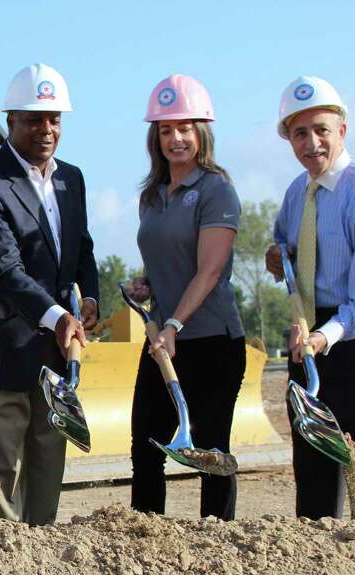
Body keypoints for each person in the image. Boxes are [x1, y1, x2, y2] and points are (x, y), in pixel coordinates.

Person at [0, 63, 100, 525]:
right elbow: (3, 269)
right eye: (35, 119)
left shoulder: (71, 179)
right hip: (1, 356)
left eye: (54, 119)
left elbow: (81, 248)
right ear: (11, 121)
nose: (47, 129)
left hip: (55, 361)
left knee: (46, 476)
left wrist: (90, 299)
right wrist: (58, 316)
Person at [264, 76, 355, 519]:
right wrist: (277, 256)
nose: (312, 143)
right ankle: (317, 558)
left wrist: (323, 339)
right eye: (300, 133)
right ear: (289, 139)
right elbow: (285, 244)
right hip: (309, 331)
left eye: (321, 129)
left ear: (342, 131)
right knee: (312, 454)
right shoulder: (297, 192)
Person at [125, 74, 246, 521]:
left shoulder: (217, 190)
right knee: (146, 443)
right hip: (163, 343)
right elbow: (167, 260)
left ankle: (218, 547)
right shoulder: (151, 196)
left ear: (201, 133)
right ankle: (145, 538)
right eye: (165, 130)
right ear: (154, 138)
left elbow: (210, 270)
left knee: (211, 453)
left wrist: (175, 323)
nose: (175, 138)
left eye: (184, 128)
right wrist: (146, 284)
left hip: (212, 340)